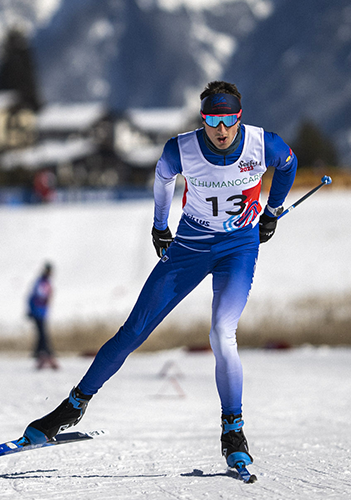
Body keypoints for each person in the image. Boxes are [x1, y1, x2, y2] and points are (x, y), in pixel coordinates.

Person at [17, 81, 297, 474]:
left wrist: (272, 211)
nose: (221, 129)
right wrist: (159, 226)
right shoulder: (179, 148)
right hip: (189, 249)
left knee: (222, 332)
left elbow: (288, 164)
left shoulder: (261, 143)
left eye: (228, 120)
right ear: (203, 119)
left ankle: (233, 431)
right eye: (213, 120)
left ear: (239, 117)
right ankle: (73, 406)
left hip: (238, 249)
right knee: (133, 330)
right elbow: (163, 179)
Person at [28, 261, 57, 370]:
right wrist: (32, 309)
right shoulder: (41, 282)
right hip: (38, 311)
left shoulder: (45, 282)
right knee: (42, 334)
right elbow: (38, 295)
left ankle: (40, 352)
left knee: (42, 333)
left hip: (42, 312)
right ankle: (45, 353)